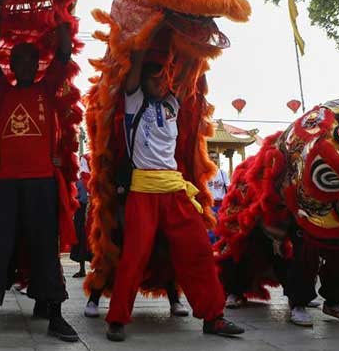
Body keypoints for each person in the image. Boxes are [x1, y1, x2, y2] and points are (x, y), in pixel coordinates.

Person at [104, 51, 244, 342]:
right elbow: (134, 72)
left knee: (199, 251)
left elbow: (185, 74)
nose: (162, 83)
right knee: (134, 256)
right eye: (154, 79)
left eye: (163, 78)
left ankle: (213, 317)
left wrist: (185, 39)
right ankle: (117, 319)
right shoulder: (135, 101)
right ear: (143, 80)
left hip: (174, 189)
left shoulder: (172, 103)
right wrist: (141, 48)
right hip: (143, 190)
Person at [0, 22, 78, 344]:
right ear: (12, 66)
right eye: (18, 61)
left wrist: (61, 16)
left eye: (30, 60)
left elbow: (64, 54)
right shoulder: (2, 91)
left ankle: (55, 315)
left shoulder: (46, 89)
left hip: (41, 184)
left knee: (44, 249)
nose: (24, 65)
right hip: (7, 184)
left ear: (36, 65)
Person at [70, 154, 92, 278]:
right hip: (84, 211)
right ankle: (83, 268)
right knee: (83, 239)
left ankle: (84, 268)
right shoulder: (82, 180)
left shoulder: (83, 181)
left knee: (84, 239)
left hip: (86, 211)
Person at [206, 151, 229, 245]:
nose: (214, 160)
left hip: (222, 206)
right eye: (211, 157)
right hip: (210, 206)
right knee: (211, 233)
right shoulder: (204, 174)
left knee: (222, 231)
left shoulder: (223, 173)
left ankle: (221, 252)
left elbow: (229, 189)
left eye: (215, 157)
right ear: (207, 159)